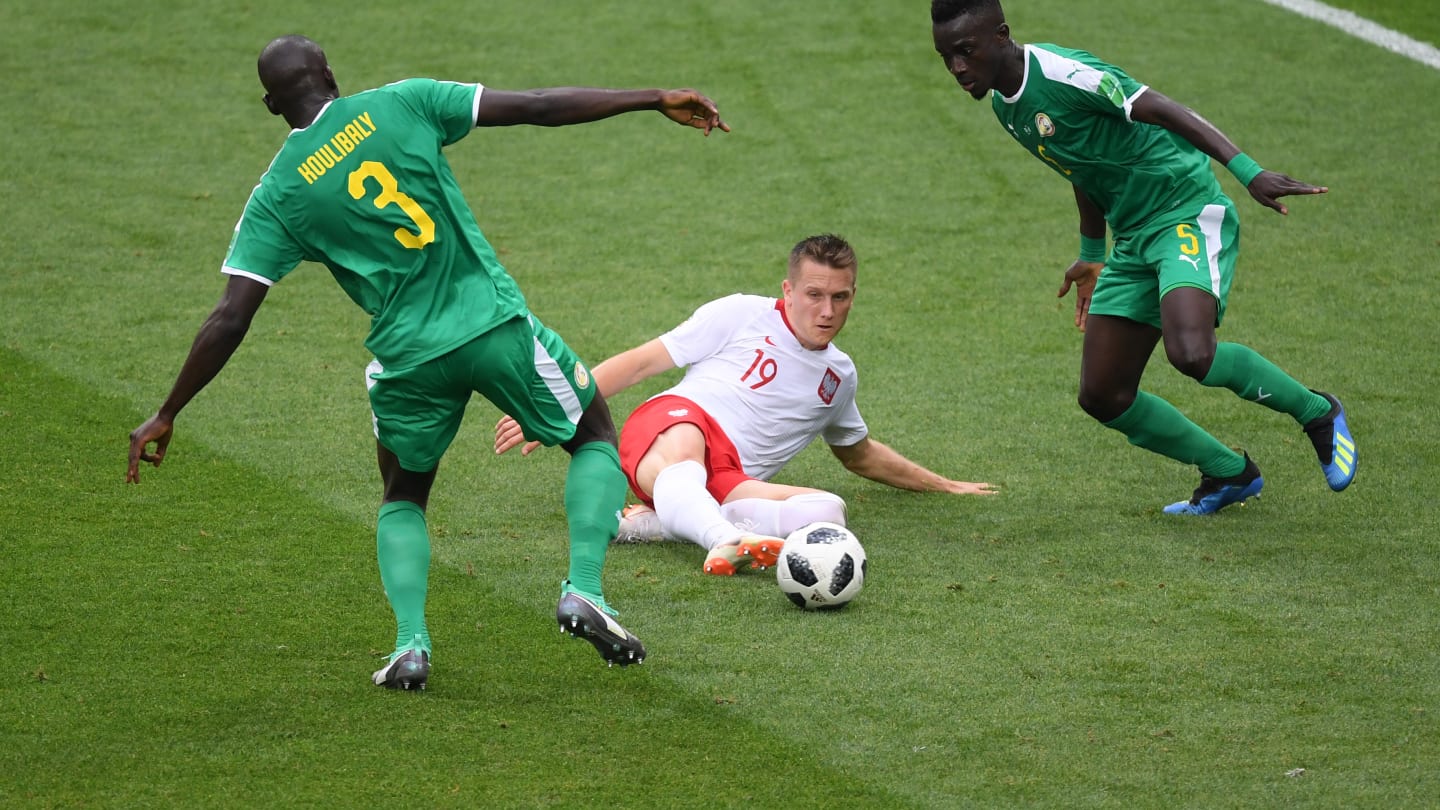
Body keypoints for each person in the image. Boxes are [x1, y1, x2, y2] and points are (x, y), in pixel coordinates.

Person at [126, 34, 729, 690]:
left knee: (404, 495)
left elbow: (230, 316)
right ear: (330, 72)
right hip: (493, 327)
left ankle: (411, 646)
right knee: (593, 436)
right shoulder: (403, 103)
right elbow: (537, 104)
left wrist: (166, 411)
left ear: (272, 105)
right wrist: (650, 98)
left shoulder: (276, 194)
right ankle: (584, 588)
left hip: (407, 362)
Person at [929, 1, 1357, 514]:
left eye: (965, 51)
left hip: (1184, 211)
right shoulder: (1005, 103)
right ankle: (1228, 472)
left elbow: (1165, 108)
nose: (956, 68)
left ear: (1001, 35)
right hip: (1132, 237)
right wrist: (1091, 253)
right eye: (946, 56)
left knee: (1192, 352)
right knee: (1103, 394)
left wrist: (1249, 172)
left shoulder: (1065, 75)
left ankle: (1317, 412)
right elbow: (1082, 168)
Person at [495, 234, 997, 575]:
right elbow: (643, 363)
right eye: (814, 294)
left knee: (828, 511)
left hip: (728, 479)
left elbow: (859, 454)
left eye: (840, 298)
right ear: (788, 289)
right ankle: (719, 536)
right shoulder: (740, 313)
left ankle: (661, 524)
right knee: (687, 445)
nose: (826, 311)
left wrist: (945, 485)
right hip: (674, 425)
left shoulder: (838, 376)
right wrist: (559, 405)